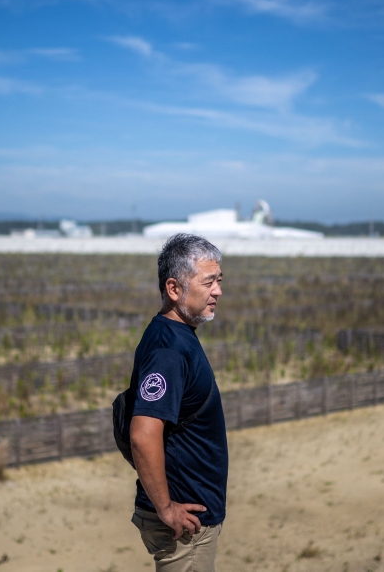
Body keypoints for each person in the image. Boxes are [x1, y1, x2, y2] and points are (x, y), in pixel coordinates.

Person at [128, 233, 228, 572]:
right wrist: (167, 508)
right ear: (174, 289)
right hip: (186, 527)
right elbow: (143, 434)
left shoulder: (172, 335)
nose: (218, 291)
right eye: (209, 282)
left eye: (219, 281)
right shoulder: (169, 351)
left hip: (188, 518)